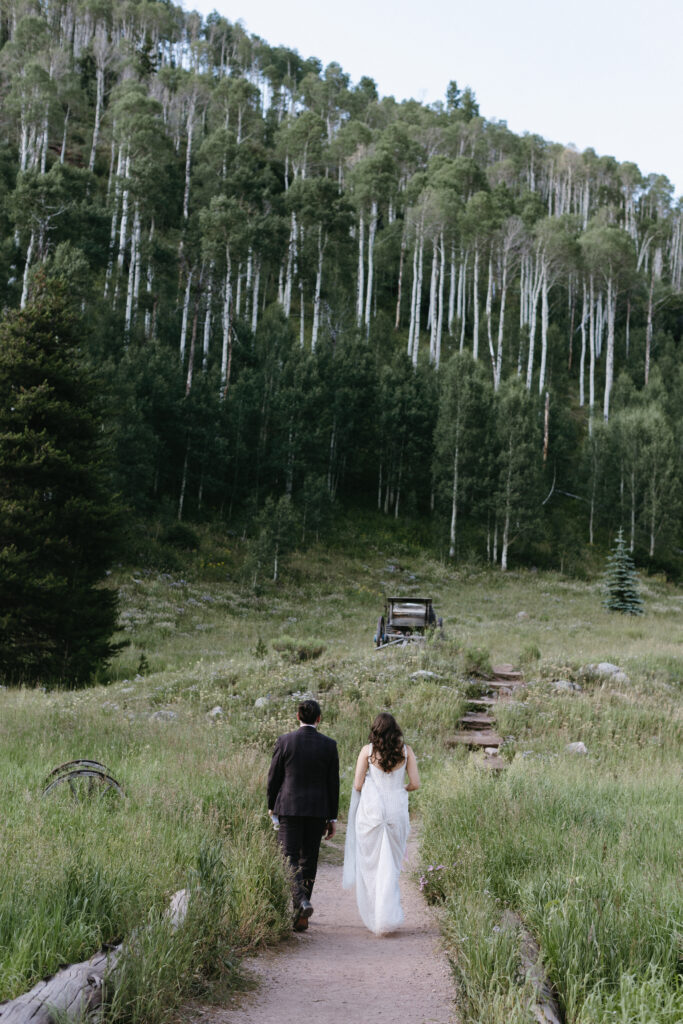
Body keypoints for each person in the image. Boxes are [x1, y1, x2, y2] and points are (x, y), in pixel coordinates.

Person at [343, 712, 420, 935]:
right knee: (391, 866)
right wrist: (399, 789)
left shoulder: (367, 752)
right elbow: (415, 783)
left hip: (372, 815)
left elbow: (357, 785)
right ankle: (388, 914)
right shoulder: (406, 752)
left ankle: (377, 915)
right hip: (396, 811)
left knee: (371, 866)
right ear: (395, 729)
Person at [267, 698, 339, 932]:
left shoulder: (285, 741)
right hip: (318, 811)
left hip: (289, 808)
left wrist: (271, 805)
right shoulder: (329, 745)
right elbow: (333, 784)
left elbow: (274, 777)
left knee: (288, 857)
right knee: (309, 860)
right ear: (319, 719)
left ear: (298, 717)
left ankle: (300, 902)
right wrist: (332, 818)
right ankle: (302, 913)